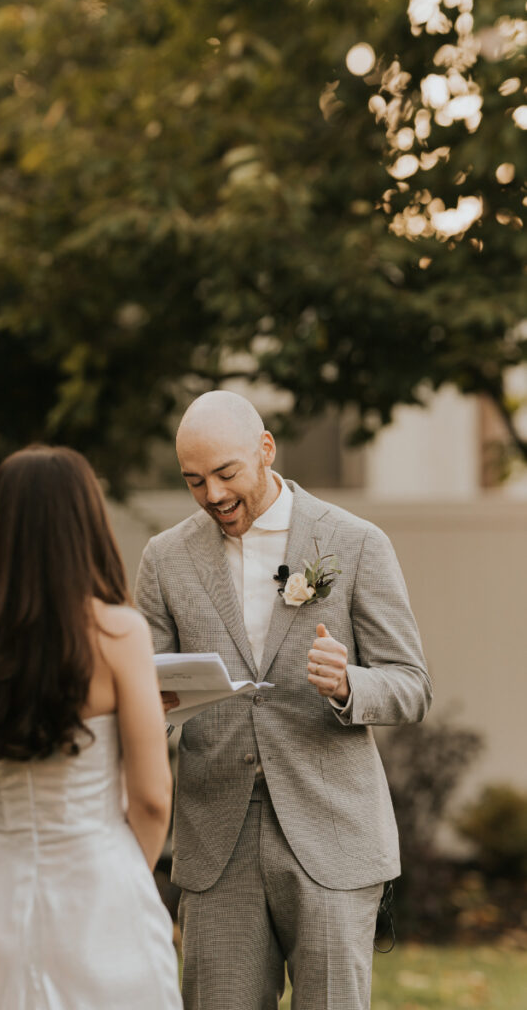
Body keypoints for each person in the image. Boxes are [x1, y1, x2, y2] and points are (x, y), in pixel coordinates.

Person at [135, 391, 432, 1010]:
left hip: (333, 840)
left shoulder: (355, 543)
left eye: (226, 473)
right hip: (216, 843)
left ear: (266, 450)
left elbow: (411, 683)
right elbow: (141, 693)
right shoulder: (163, 560)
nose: (212, 495)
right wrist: (155, 705)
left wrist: (351, 683)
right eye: (194, 481)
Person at [0, 445, 182, 1010]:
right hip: (101, 881)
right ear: (84, 524)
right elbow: (152, 798)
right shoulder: (119, 633)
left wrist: (8, 847)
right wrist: (119, 878)